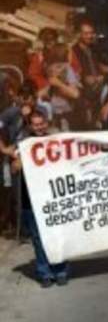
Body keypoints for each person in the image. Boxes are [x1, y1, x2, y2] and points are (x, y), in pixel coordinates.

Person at [14, 111, 69, 287]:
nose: (39, 127)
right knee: (38, 239)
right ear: (30, 126)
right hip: (31, 200)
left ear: (46, 123)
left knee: (57, 236)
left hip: (52, 198)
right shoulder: (23, 144)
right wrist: (22, 161)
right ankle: (45, 273)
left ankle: (60, 271)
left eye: (41, 123)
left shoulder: (54, 142)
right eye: (35, 124)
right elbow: (14, 168)